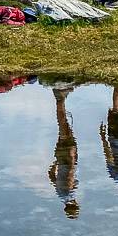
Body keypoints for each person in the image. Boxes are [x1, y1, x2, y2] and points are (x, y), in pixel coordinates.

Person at [47, 86, 80, 219]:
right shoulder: (60, 194)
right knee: (62, 128)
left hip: (67, 157)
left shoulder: (69, 193)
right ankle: (61, 99)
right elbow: (51, 175)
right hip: (60, 158)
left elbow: (71, 173)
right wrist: (56, 162)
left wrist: (72, 156)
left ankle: (59, 98)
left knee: (64, 127)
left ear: (75, 205)